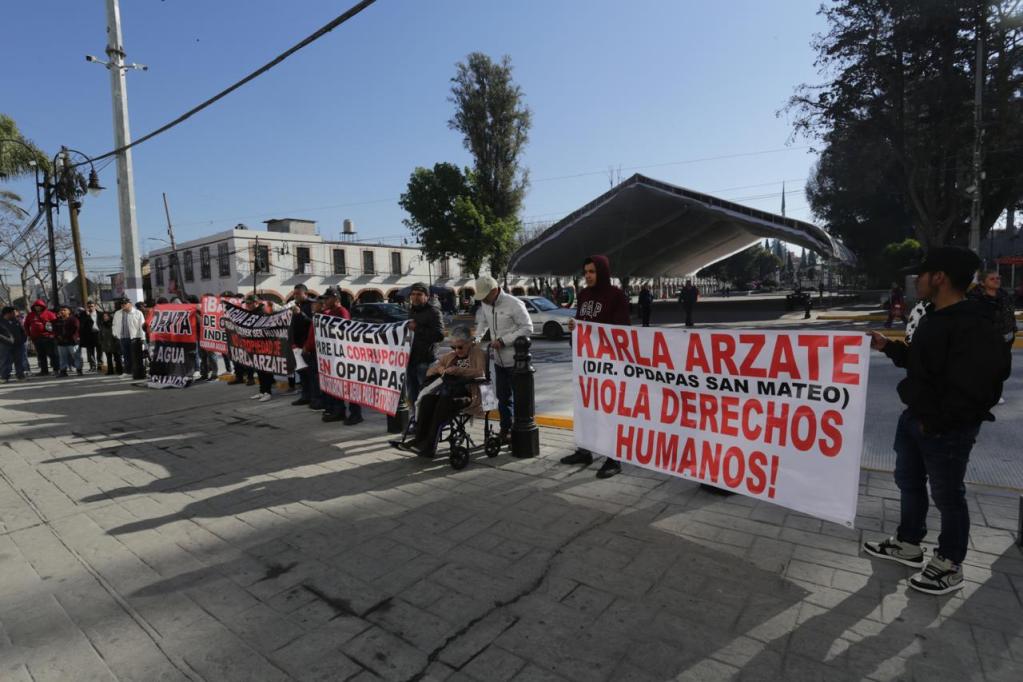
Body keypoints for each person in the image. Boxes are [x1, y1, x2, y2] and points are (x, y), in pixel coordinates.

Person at [863, 247, 1009, 595]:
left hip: (944, 428)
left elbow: (982, 387)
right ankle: (908, 544)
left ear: (939, 277)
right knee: (908, 482)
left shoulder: (974, 323)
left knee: (948, 496)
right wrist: (888, 347)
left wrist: (938, 422)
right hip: (916, 418)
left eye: (922, 274)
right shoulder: (933, 315)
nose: (917, 281)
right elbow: (921, 363)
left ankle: (949, 563)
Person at [560, 255, 631, 478]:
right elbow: (581, 322)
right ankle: (585, 450)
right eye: (585, 272)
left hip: (608, 364)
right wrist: (575, 328)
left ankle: (613, 458)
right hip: (586, 363)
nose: (588, 276)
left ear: (602, 272)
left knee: (608, 411)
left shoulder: (616, 295)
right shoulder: (583, 295)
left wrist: (595, 332)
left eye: (592, 271)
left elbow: (622, 329)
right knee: (585, 408)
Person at [399, 326, 485, 458]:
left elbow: (480, 372)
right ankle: (419, 439)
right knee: (427, 400)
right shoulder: (451, 355)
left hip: (468, 394)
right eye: (453, 347)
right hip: (448, 392)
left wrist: (458, 370)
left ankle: (429, 445)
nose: (457, 350)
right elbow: (429, 372)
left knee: (443, 403)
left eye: (460, 347)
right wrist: (440, 369)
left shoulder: (477, 353)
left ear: (469, 343)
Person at [472, 275, 533, 443]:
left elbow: (527, 328)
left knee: (519, 398)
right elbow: (483, 323)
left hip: (516, 361)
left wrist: (503, 341)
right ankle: (505, 429)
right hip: (499, 361)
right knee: (503, 398)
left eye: (485, 296)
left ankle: (519, 429)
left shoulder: (514, 303)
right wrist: (476, 339)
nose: (483, 300)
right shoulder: (486, 303)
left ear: (494, 290)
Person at [318, 288, 363, 425]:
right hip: (334, 354)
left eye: (328, 298)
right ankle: (339, 411)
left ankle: (356, 414)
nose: (325, 301)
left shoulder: (342, 312)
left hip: (344, 355)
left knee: (351, 386)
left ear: (336, 299)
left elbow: (344, 333)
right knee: (337, 385)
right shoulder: (330, 312)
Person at [969, 269, 1017, 373]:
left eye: (998, 278)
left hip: (1006, 342)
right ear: (982, 283)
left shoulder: (1004, 295)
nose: (996, 280)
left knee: (1003, 371)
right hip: (985, 344)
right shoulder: (975, 299)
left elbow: (1010, 315)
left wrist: (1012, 332)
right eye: (992, 279)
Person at [406, 282, 444, 409]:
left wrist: (417, 328)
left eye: (419, 294)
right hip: (410, 360)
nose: (415, 297)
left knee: (426, 394)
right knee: (412, 394)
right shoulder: (411, 311)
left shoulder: (434, 312)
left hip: (426, 361)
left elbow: (439, 335)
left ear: (426, 296)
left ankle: (425, 418)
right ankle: (414, 418)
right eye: (413, 294)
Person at [289, 285, 315, 406]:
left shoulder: (311, 305)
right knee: (302, 372)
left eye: (298, 293)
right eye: (294, 294)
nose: (295, 296)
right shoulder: (296, 305)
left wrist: (300, 314)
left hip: (307, 345)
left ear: (306, 294)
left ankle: (313, 397)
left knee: (310, 373)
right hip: (297, 344)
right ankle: (305, 396)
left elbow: (313, 323)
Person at [112, 298, 146, 378]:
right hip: (122, 337)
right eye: (122, 304)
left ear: (130, 304)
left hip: (135, 338)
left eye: (125, 304)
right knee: (126, 355)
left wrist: (143, 338)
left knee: (135, 357)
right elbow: (114, 324)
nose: (123, 305)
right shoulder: (118, 313)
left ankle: (136, 372)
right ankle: (127, 371)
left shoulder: (138, 313)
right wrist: (115, 333)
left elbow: (142, 326)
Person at [24, 299, 58, 376]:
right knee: (41, 355)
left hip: (48, 338)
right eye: (36, 306)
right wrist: (29, 334)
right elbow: (26, 325)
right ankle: (44, 371)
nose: (37, 307)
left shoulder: (49, 314)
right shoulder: (30, 315)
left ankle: (56, 369)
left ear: (43, 306)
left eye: (39, 306)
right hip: (36, 338)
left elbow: (55, 324)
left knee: (52, 354)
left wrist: (53, 334)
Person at [0, 306, 29, 382]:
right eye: (13, 313)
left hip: (18, 344)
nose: (15, 314)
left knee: (19, 360)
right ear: (7, 314)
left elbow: (23, 331)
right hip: (5, 345)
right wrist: (6, 340)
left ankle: (20, 376)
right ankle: (4, 377)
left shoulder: (16, 321)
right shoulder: (1, 322)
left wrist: (23, 339)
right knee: (5, 361)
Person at [53, 305, 82, 376]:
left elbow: (75, 328)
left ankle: (79, 370)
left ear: (69, 311)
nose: (62, 311)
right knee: (62, 357)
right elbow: (54, 330)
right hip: (61, 342)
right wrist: (58, 336)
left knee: (76, 356)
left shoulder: (73, 319)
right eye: (61, 310)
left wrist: (65, 336)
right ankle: (63, 371)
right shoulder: (57, 320)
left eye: (64, 310)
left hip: (72, 342)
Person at [96, 310, 122, 375]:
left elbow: (117, 332)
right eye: (104, 316)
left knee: (117, 358)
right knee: (109, 358)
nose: (105, 318)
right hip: (106, 343)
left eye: (106, 316)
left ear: (109, 317)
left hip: (114, 343)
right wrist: (101, 341)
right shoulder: (102, 324)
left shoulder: (113, 324)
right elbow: (100, 334)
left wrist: (117, 341)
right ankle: (110, 371)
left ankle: (119, 370)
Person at [78, 301, 100, 371]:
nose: (90, 308)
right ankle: (93, 366)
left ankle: (100, 364)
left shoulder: (100, 314)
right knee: (90, 352)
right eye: (89, 307)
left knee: (99, 350)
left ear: (95, 306)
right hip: (89, 335)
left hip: (98, 334)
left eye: (92, 306)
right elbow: (82, 325)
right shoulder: (83, 315)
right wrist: (88, 316)